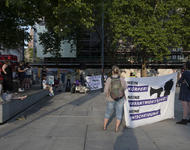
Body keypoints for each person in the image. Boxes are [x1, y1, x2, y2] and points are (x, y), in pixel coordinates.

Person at [103, 65, 127, 132]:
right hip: (120, 98)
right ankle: (116, 128)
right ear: (118, 71)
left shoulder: (109, 79)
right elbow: (125, 87)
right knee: (119, 113)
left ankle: (104, 126)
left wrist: (107, 94)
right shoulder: (122, 79)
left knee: (108, 112)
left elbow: (105, 90)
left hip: (111, 98)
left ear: (112, 72)